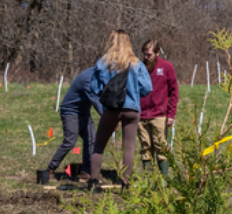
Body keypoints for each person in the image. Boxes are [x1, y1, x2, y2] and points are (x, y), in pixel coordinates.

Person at [87, 30, 153, 190]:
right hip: (132, 108)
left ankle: (93, 181)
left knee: (99, 145)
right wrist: (134, 92)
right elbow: (147, 88)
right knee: (128, 147)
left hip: (111, 108)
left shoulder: (103, 62)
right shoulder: (137, 63)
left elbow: (94, 87)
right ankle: (125, 183)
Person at [45, 67, 102, 181]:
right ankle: (50, 169)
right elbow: (95, 99)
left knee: (91, 140)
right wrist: (106, 116)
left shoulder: (101, 76)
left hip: (84, 112)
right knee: (70, 141)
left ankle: (86, 173)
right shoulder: (88, 78)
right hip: (70, 111)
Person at [138, 40, 178, 177]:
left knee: (160, 147)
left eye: (149, 55)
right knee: (145, 147)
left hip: (160, 115)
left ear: (157, 53)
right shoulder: (139, 68)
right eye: (145, 55)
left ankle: (164, 179)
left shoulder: (167, 67)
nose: (146, 58)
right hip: (141, 116)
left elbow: (174, 92)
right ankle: (149, 180)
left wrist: (171, 114)